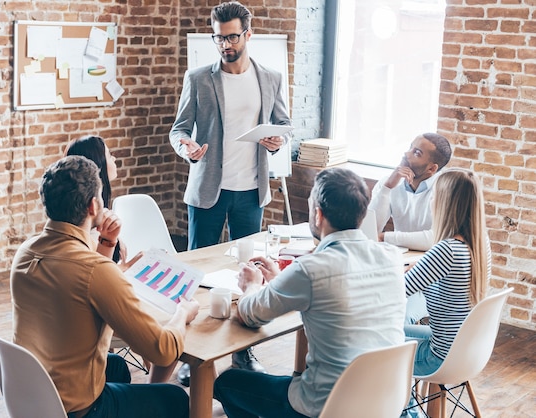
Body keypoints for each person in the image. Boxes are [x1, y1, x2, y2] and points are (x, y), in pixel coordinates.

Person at [11, 155, 200, 418]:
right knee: (175, 398)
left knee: (117, 367)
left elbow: (79, 277)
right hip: (77, 409)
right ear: (93, 205)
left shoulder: (26, 252)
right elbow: (162, 351)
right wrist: (183, 313)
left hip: (33, 395)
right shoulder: (96, 271)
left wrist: (107, 242)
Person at [213, 167, 406, 418]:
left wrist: (253, 284)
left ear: (318, 214)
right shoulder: (391, 258)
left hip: (327, 407)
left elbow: (250, 315)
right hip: (387, 402)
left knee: (228, 382)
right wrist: (281, 281)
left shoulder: (310, 269)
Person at [169, 1, 292, 384]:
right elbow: (179, 129)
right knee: (198, 276)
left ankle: (243, 354)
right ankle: (192, 360)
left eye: (231, 37)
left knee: (247, 277)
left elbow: (284, 125)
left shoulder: (270, 78)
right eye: (218, 38)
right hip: (208, 190)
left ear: (247, 35)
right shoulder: (199, 78)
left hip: (250, 193)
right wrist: (186, 147)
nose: (224, 44)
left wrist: (274, 143)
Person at [401, 168, 490, 418]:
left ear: (445, 203)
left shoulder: (447, 250)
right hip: (467, 351)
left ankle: (408, 415)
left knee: (376, 350)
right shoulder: (481, 243)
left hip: (439, 356)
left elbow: (396, 292)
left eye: (434, 194)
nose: (430, 199)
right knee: (397, 328)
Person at [369, 132, 452, 324]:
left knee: (397, 315)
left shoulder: (443, 190)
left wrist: (387, 237)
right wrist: (387, 187)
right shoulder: (390, 183)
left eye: (416, 152)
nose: (406, 154)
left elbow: (434, 238)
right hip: (398, 269)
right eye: (410, 147)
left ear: (432, 168)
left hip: (429, 281)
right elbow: (371, 231)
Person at [66, 135, 126, 265]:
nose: (114, 158)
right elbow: (97, 274)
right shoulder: (88, 231)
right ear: (98, 164)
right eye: (109, 155)